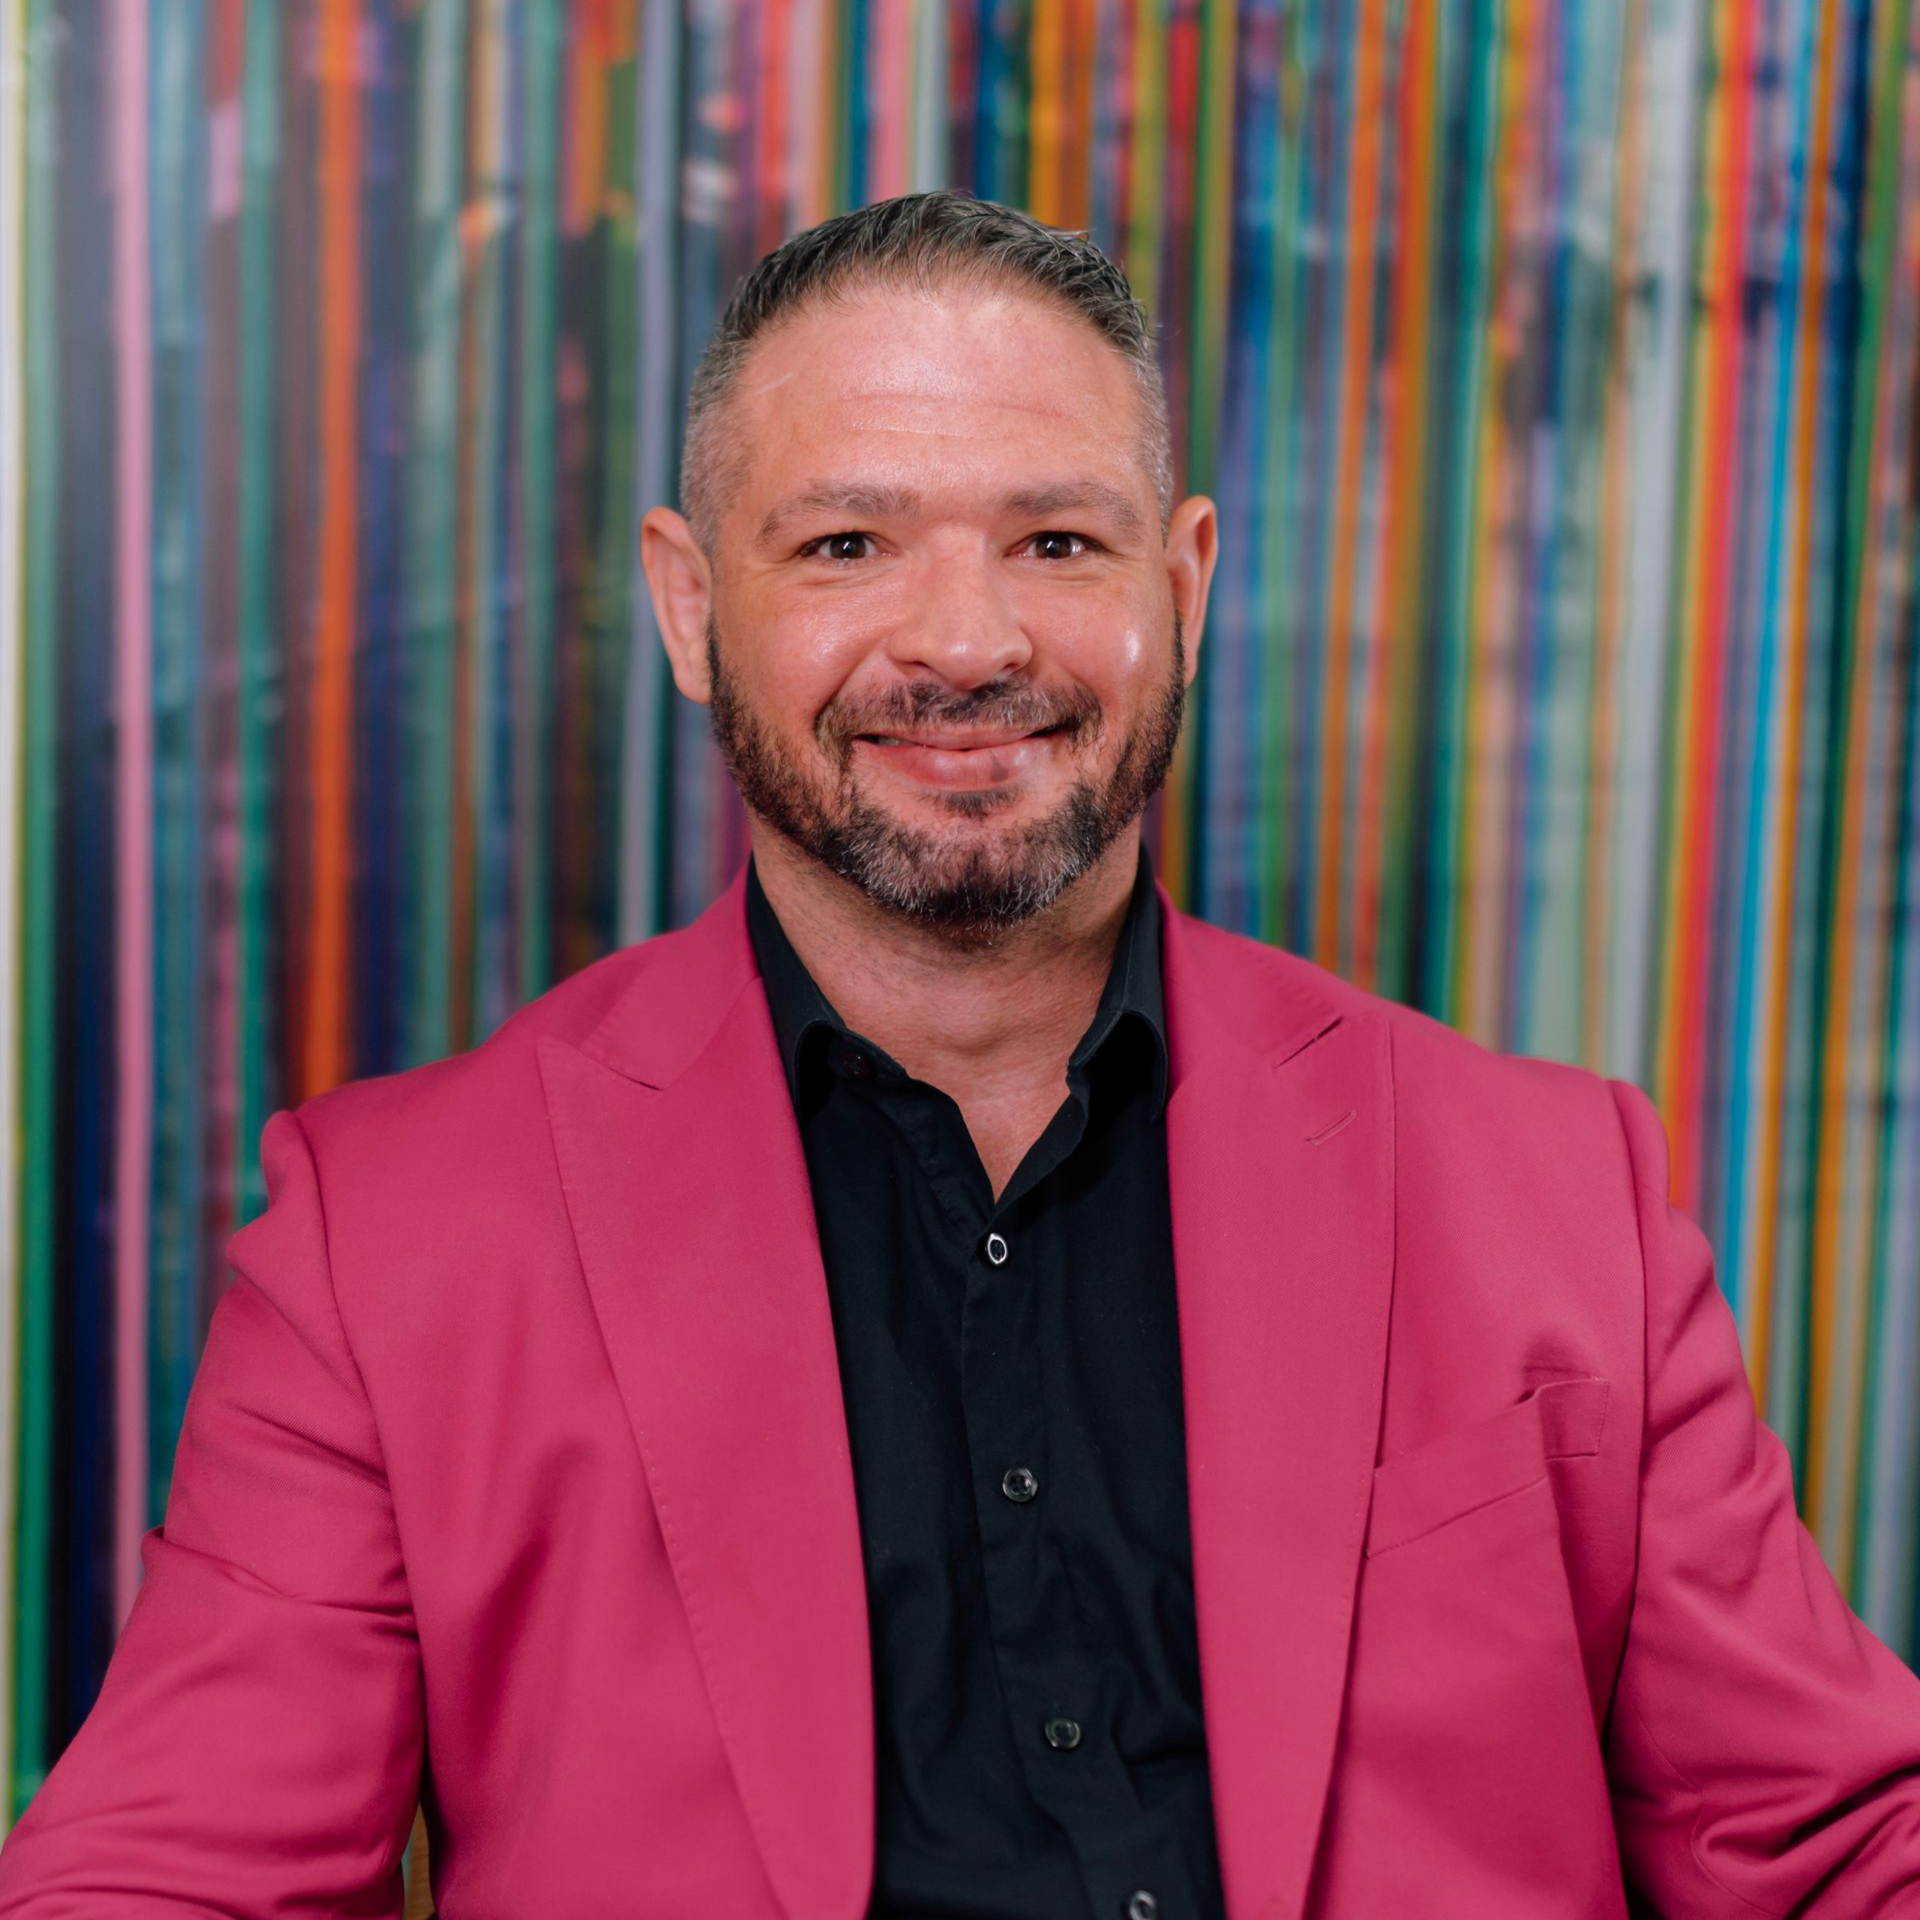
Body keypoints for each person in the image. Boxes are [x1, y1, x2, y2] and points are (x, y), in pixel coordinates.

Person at [2, 190, 1917, 1920]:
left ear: (1182, 585)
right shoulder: (390, 1238)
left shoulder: (1550, 1187)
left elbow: (1842, 1845)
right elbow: (164, 1881)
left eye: (1055, 539)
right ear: (689, 606)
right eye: (846, 541)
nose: (965, 637)